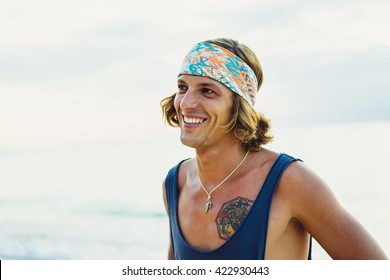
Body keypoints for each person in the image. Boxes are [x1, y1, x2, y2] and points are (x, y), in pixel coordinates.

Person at [160, 38, 387, 260]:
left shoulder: (290, 182)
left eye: (207, 91)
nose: (186, 103)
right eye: (182, 87)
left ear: (239, 106)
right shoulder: (175, 183)